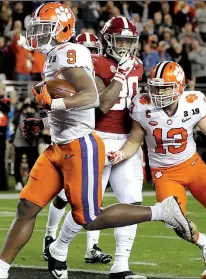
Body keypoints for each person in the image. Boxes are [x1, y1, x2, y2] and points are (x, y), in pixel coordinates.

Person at [0, 4, 193, 279]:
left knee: (89, 219)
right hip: (59, 145)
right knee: (27, 206)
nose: (38, 34)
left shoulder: (70, 53)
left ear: (63, 29)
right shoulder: (55, 56)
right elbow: (74, 107)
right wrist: (45, 121)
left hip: (80, 147)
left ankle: (160, 211)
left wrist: (53, 101)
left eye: (45, 28)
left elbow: (90, 97)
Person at [43, 18, 147, 279]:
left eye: (128, 41)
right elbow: (102, 104)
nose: (123, 46)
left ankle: (121, 265)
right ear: (107, 40)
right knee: (88, 205)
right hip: (97, 137)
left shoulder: (138, 66)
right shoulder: (95, 63)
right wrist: (121, 75)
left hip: (126, 141)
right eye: (119, 40)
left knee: (132, 202)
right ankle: (59, 246)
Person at [108, 61, 206, 268]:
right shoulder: (142, 106)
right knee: (177, 223)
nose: (157, 92)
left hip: (193, 166)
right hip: (164, 173)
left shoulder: (192, 103)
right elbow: (133, 141)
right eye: (155, 87)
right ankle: (204, 243)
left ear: (179, 86)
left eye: (164, 88)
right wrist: (121, 155)